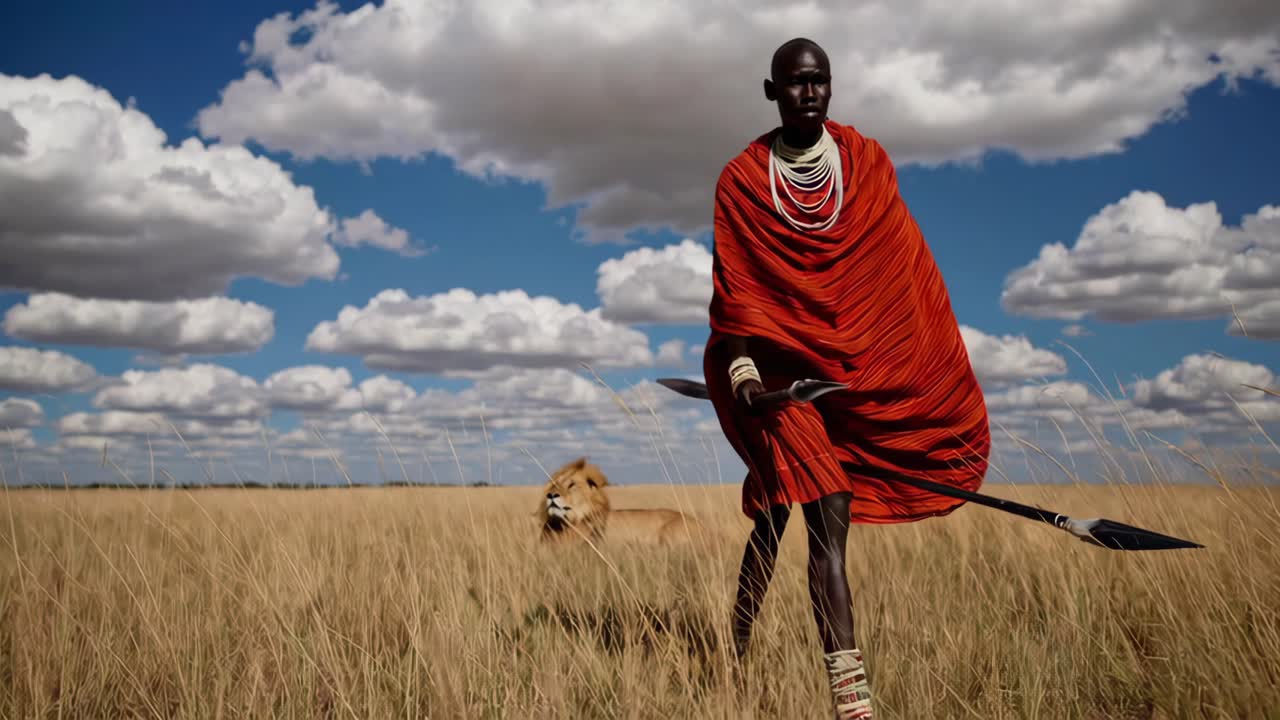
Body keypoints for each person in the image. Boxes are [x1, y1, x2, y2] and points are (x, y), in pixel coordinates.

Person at [703, 38, 991, 719]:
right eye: (795, 83)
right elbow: (737, 291)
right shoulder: (743, 179)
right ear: (771, 92)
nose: (809, 93)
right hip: (778, 378)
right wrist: (744, 374)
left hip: (849, 377)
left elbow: (899, 281)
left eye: (820, 81)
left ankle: (796, 677)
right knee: (805, 516)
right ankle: (804, 682)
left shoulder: (864, 162)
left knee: (784, 520)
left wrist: (879, 367)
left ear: (831, 88)